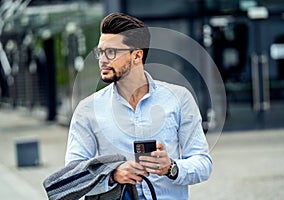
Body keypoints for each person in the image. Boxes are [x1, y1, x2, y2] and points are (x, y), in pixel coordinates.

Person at [65, 12, 212, 199]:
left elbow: (203, 163)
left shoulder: (180, 99)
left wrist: (171, 167)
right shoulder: (87, 110)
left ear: (136, 56)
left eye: (111, 52)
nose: (102, 59)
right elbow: (74, 173)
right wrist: (112, 175)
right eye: (100, 52)